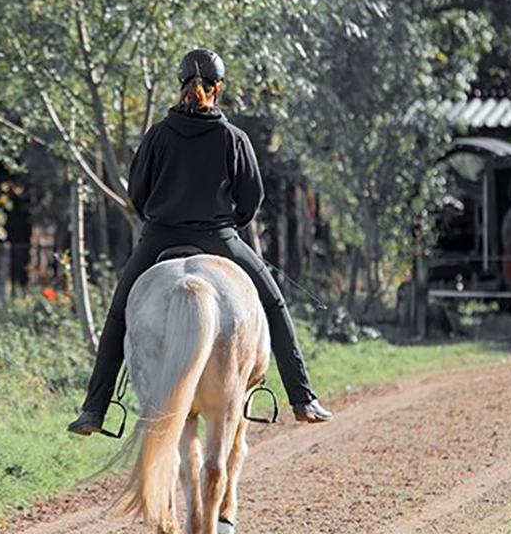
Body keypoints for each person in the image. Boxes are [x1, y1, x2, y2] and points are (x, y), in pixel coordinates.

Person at [67, 48, 333, 436]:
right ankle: (302, 398)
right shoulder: (232, 137)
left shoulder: (157, 135)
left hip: (159, 237)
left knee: (120, 311)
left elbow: (137, 193)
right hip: (219, 237)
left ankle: (94, 410)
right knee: (273, 302)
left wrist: (160, 220)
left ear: (180, 86)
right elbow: (251, 199)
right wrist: (229, 224)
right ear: (218, 89)